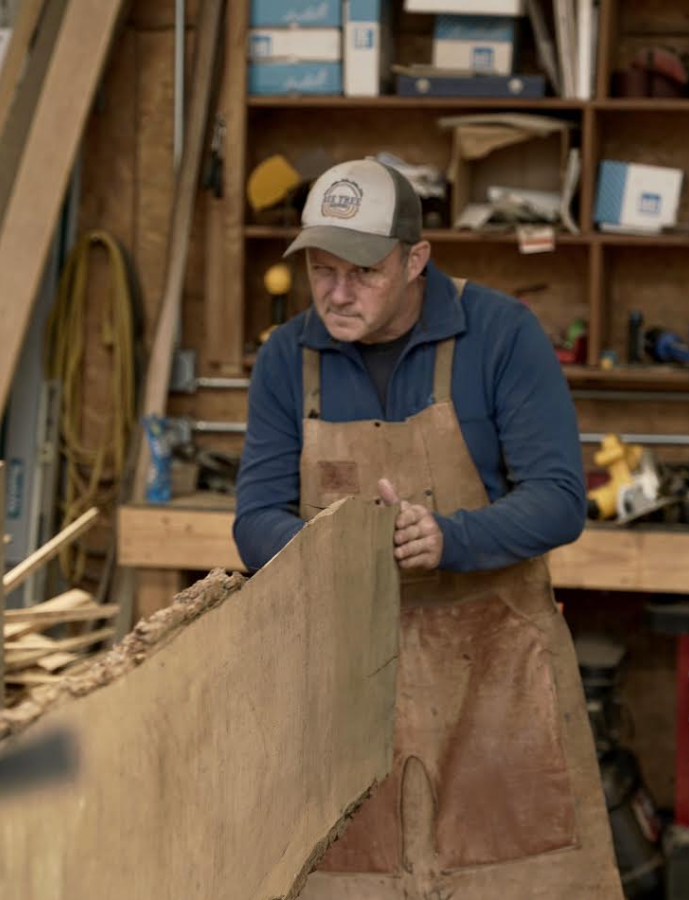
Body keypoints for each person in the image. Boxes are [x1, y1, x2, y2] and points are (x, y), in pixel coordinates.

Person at [234, 159, 621, 898]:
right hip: (347, 689)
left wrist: (452, 539)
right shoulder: (288, 359)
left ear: (416, 259)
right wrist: (343, 550)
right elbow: (255, 519)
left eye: (363, 271)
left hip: (494, 684)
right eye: (321, 271)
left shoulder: (501, 335)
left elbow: (560, 497)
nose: (338, 294)